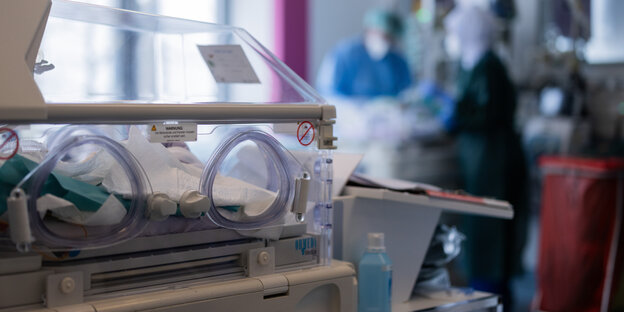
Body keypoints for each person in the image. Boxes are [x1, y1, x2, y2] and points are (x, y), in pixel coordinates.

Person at [442, 4, 528, 307]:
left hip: (493, 163)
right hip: (479, 161)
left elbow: (485, 114)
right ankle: (487, 294)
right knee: (479, 234)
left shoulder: (490, 66)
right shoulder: (472, 64)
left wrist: (455, 116)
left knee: (491, 235)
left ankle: (495, 297)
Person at [316, 8, 412, 99]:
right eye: (384, 36)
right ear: (369, 30)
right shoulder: (345, 54)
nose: (386, 42)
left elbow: (406, 91)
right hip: (348, 113)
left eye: (391, 38)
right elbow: (328, 91)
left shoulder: (396, 60)